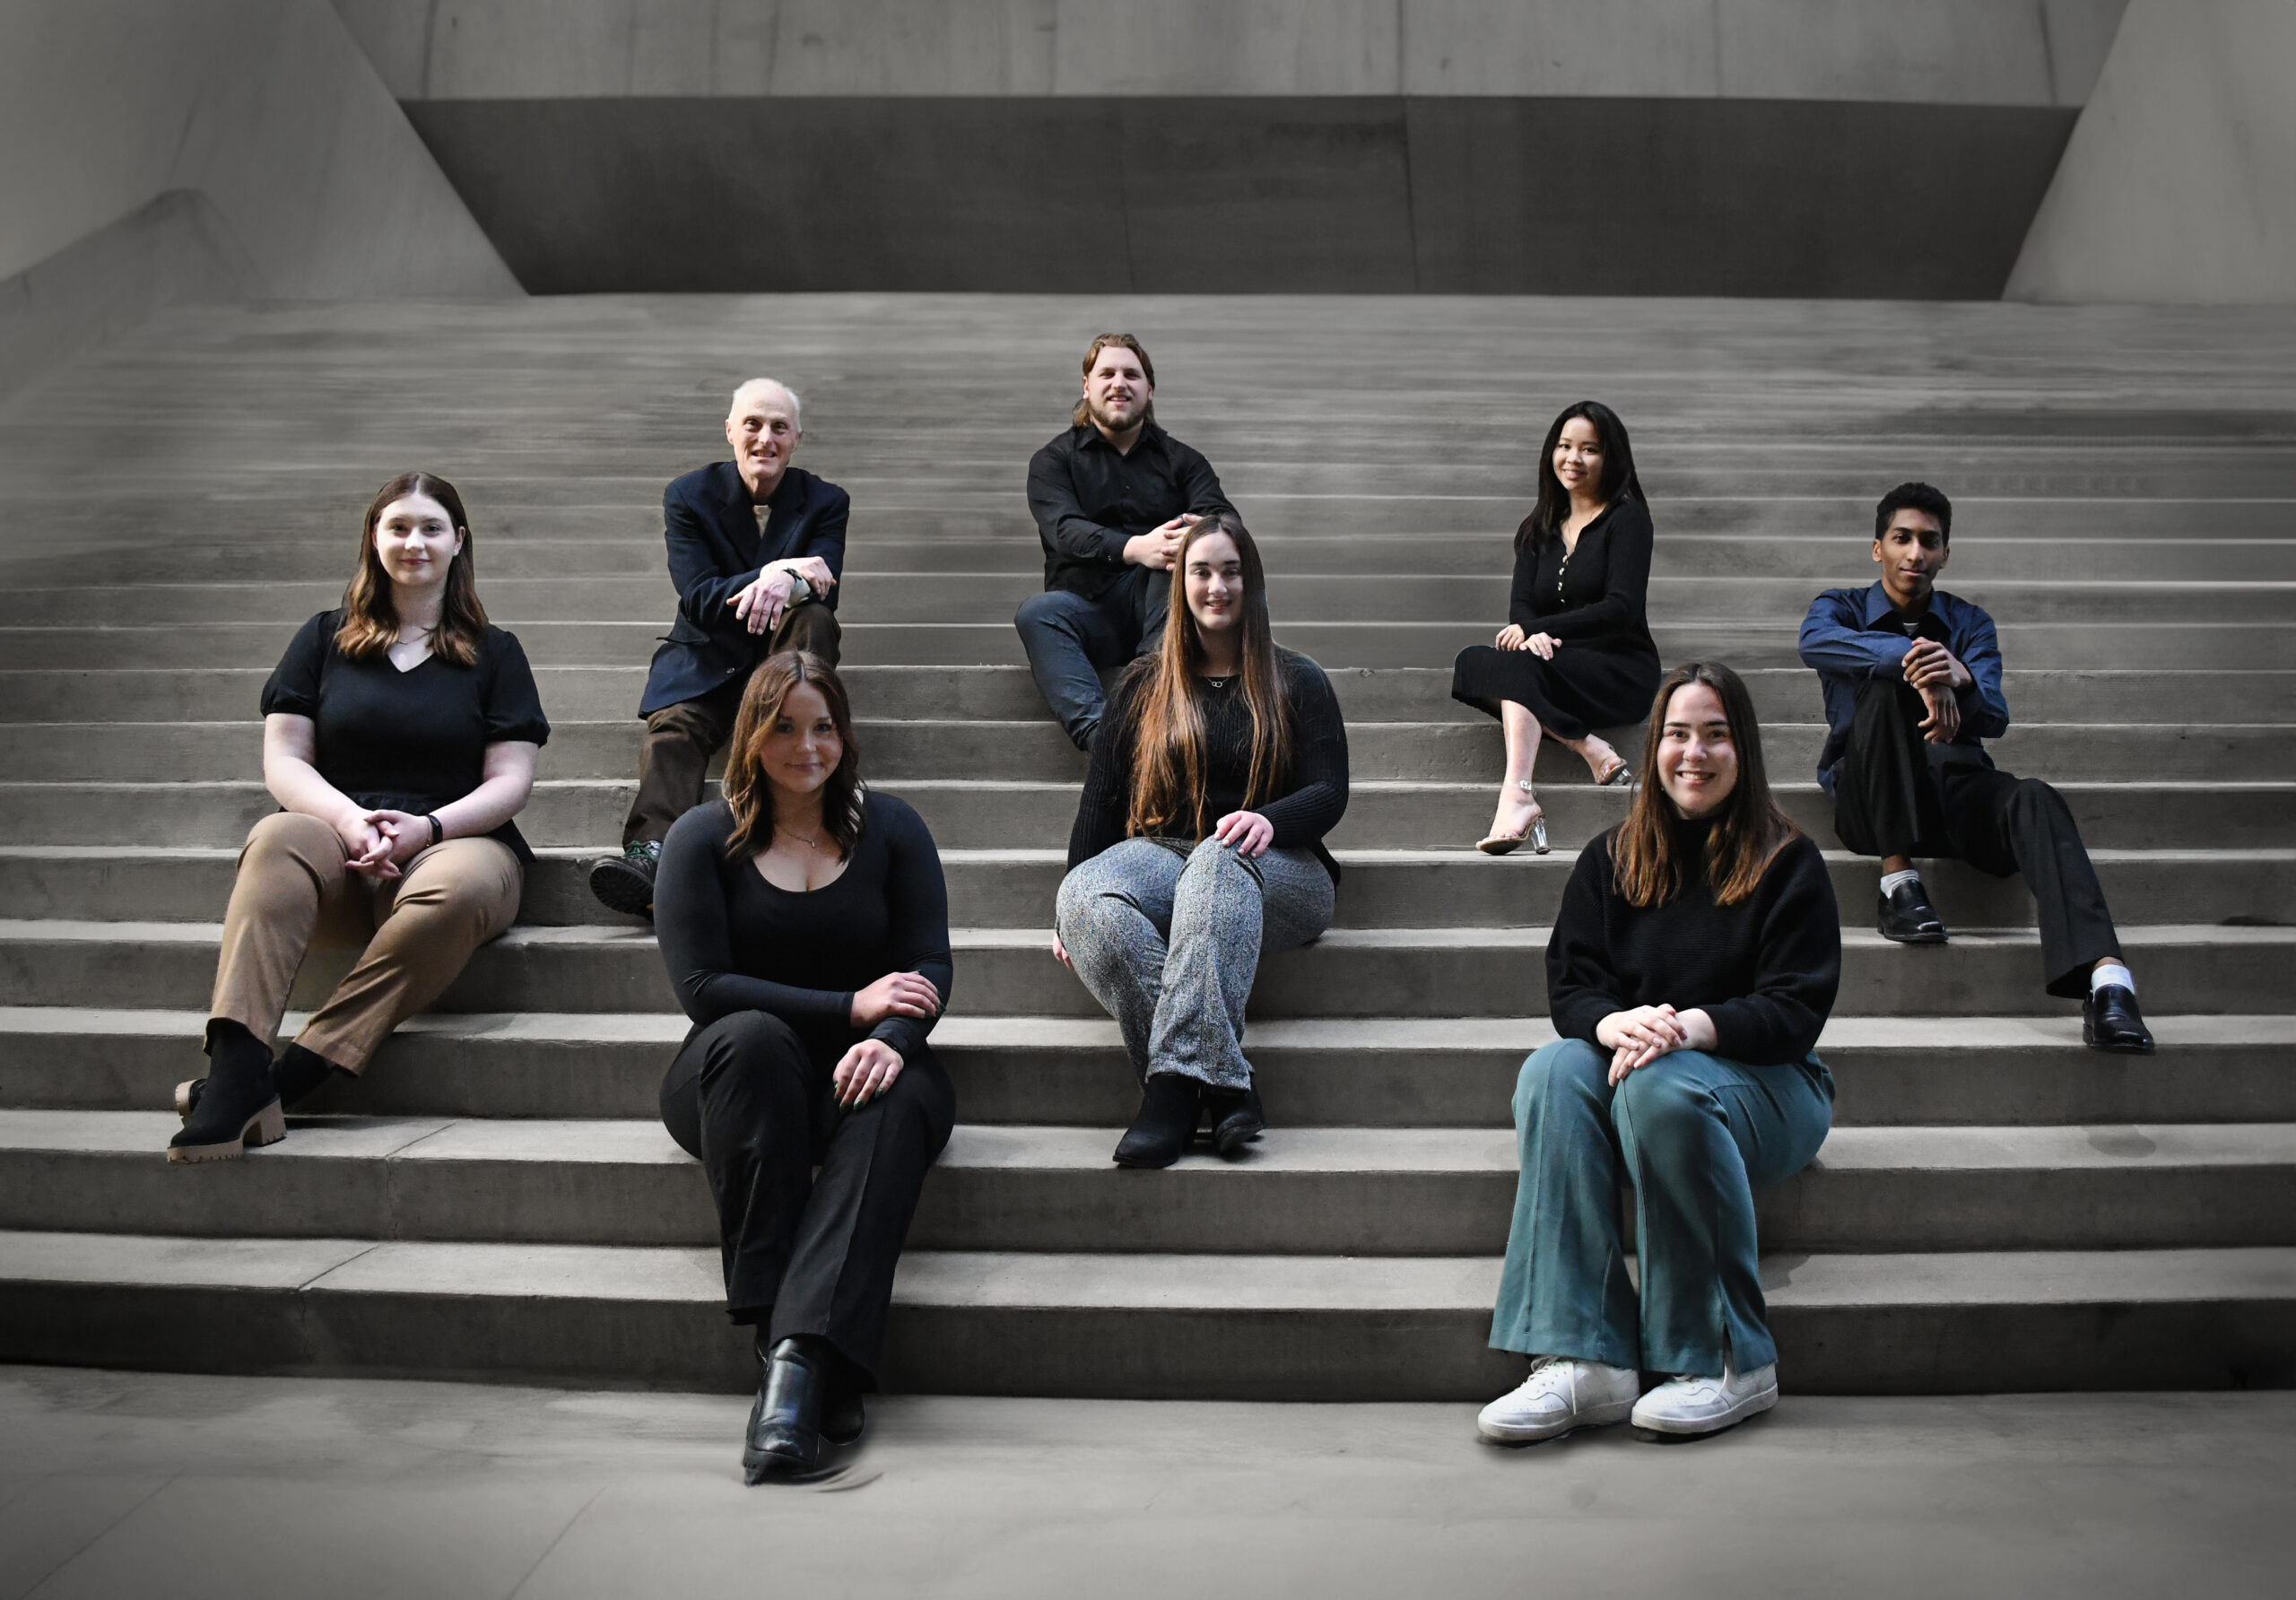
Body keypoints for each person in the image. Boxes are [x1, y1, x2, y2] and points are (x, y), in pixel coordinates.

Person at [1477, 663, 1839, 1445]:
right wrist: (1615, 1025)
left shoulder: (1787, 861)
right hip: (1643, 1064)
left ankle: (1728, 1359)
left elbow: (1794, 1010)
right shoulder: (1612, 858)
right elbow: (1572, 985)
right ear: (1654, 747)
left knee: (1661, 1089)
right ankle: (1584, 1359)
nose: (1694, 754)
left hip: (1769, 1085)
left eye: (1716, 735)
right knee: (1553, 1069)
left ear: (1744, 748)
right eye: (1678, 734)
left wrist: (1687, 1027)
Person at [170, 473, 547, 1161]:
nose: (414, 542)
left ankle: (296, 1072)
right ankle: (234, 1063)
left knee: (454, 889)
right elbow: (284, 761)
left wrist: (426, 829)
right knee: (276, 834)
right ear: (374, 540)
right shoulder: (322, 639)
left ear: (458, 542)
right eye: (398, 527)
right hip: (341, 845)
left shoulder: (497, 653)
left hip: (458, 840)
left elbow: (511, 780)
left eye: (431, 528)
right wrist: (349, 821)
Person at [652, 652, 955, 1483]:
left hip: (869, 1061)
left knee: (895, 1101)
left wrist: (887, 1039)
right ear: (751, 735)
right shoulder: (700, 836)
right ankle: (809, 1352)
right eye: (784, 726)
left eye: (823, 726)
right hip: (735, 1071)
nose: (806, 746)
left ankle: (799, 1365)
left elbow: (929, 965)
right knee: (754, 1037)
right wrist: (845, 1008)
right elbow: (702, 986)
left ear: (845, 734)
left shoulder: (891, 828)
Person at [1798, 483, 2153, 1053]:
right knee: (1883, 693)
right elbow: (1814, 644)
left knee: (2035, 796)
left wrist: (1960, 675)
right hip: (1873, 796)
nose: (1915, 553)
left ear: (1945, 553)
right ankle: (1897, 881)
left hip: (1955, 789)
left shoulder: (1970, 623)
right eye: (1902, 539)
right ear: (1877, 548)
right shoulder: (1836, 608)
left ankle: (2108, 982)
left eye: (1929, 542)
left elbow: (1995, 717)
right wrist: (1920, 666)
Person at [1054, 513, 1348, 1169]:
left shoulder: (1297, 679)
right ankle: (1218, 1084)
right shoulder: (1141, 686)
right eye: (1202, 572)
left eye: (1231, 571)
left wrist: (1272, 819)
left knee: (1220, 856)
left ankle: (1168, 1095)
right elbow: (1100, 804)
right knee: (1084, 899)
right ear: (1179, 584)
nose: (1217, 586)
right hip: (1164, 854)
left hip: (1284, 870)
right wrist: (1065, 909)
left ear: (1252, 580)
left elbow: (1330, 791)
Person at [590, 378, 849, 918]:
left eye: (779, 426)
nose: (765, 437)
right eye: (753, 424)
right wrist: (781, 571)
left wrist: (795, 585)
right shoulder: (688, 495)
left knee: (814, 616)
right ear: (730, 431)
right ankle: (650, 859)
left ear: (797, 438)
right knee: (674, 730)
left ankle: (801, 734)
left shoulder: (825, 500)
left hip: (785, 667)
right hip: (705, 661)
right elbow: (700, 595)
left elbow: (827, 584)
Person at [1452, 401, 1660, 854]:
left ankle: (1517, 794)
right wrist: (1532, 634)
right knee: (1472, 661)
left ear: (1611, 457)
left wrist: (1541, 632)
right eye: (1565, 446)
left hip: (1617, 668)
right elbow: (1520, 610)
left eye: (1590, 449)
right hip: (1548, 666)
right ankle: (1586, 745)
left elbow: (1620, 608)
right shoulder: (1537, 528)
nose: (1573, 458)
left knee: (1518, 666)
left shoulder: (1627, 519)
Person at [1015, 333, 1238, 752]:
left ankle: (1153, 710)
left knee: (1177, 564)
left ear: (1149, 390)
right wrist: (1138, 547)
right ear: (1087, 386)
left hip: (1164, 613)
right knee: (1037, 613)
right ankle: (1106, 743)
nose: (1119, 383)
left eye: (1131, 374)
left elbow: (1225, 520)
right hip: (1086, 610)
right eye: (1107, 373)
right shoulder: (1053, 460)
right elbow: (1064, 530)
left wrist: (1191, 539)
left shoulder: (1183, 460)